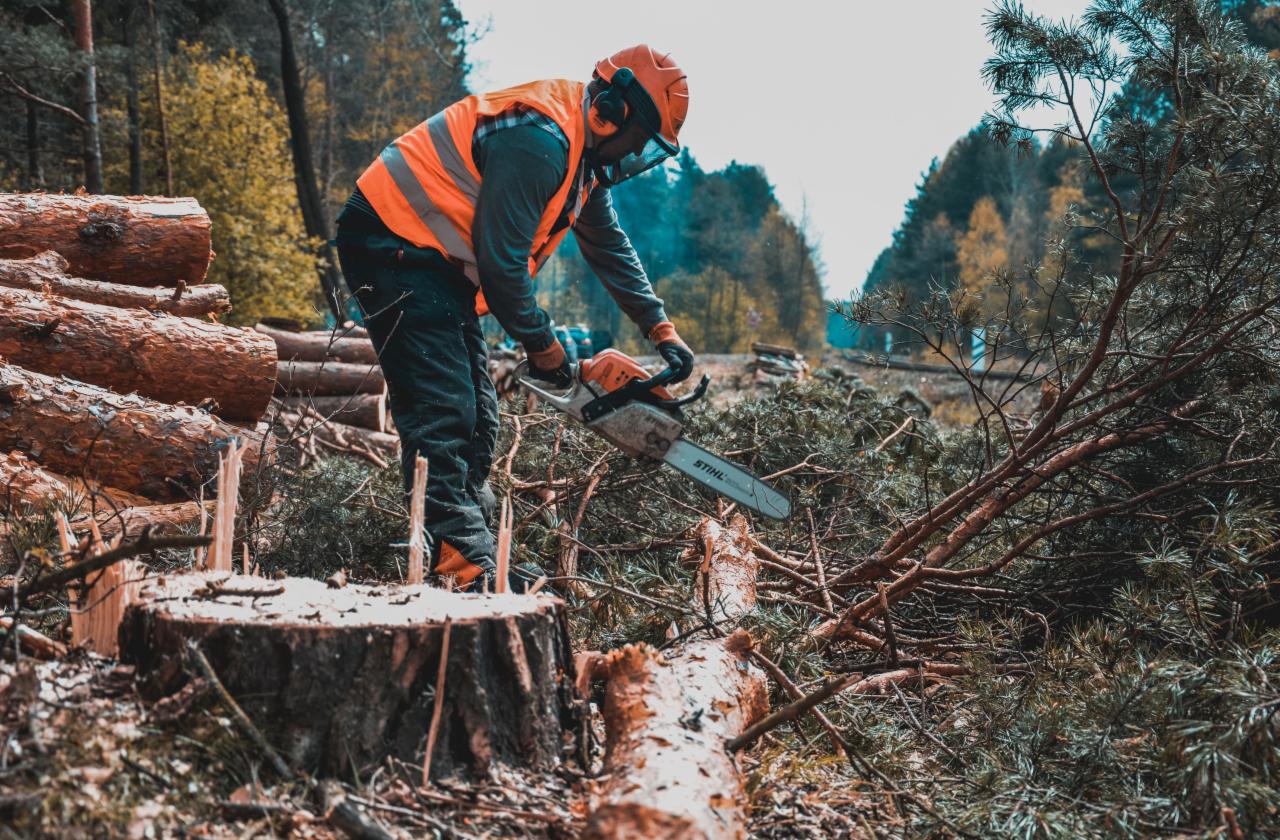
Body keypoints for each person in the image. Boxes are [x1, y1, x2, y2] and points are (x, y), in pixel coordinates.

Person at [334, 45, 696, 590]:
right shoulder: (541, 140)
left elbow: (609, 246)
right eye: (640, 139)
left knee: (479, 416)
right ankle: (461, 564)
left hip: (433, 263)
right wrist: (544, 347)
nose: (637, 152)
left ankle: (473, 546)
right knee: (443, 409)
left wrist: (660, 328)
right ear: (614, 112)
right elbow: (503, 265)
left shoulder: (581, 162)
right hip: (392, 240)